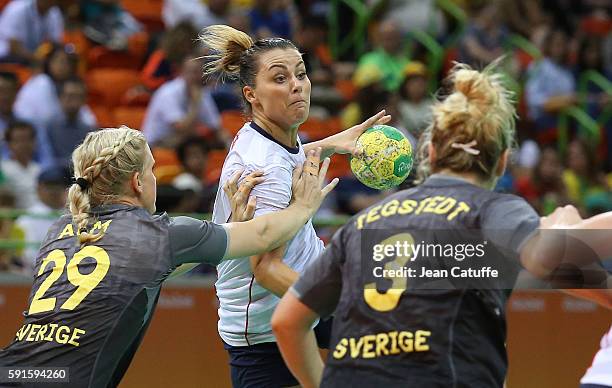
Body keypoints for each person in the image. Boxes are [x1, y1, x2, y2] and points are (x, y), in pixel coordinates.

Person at [271, 62, 612, 388]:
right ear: (502, 162)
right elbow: (549, 257)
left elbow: (286, 321)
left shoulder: (364, 222)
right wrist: (565, 217)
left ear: (430, 153)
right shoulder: (492, 210)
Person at [0, 126, 337, 387]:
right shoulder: (163, 234)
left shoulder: (60, 228)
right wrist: (304, 205)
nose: (154, 178)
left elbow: (153, 270)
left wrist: (229, 224)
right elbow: (265, 234)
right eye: (151, 170)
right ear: (137, 182)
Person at [199, 24, 390, 387]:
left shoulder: (275, 133)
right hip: (265, 325)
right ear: (252, 95)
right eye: (281, 78)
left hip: (305, 289)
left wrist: (332, 143)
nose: (297, 85)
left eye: (301, 74)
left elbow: (292, 158)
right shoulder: (262, 168)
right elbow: (267, 269)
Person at [142, 53, 226, 148]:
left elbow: (216, 127)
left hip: (180, 141)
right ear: (182, 72)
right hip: (155, 145)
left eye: (199, 72)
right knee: (193, 141)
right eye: (192, 72)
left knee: (214, 142)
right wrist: (195, 104)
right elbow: (181, 128)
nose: (195, 76)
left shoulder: (202, 92)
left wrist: (227, 143)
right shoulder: (168, 92)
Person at [15, 165, 72, 274]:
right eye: (49, 186)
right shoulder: (26, 219)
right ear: (38, 188)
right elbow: (27, 256)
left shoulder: (74, 215)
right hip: (35, 276)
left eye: (59, 186)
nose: (54, 191)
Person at [46, 77, 96, 167]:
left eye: (78, 97)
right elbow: (46, 159)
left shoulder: (89, 130)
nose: (74, 101)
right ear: (60, 97)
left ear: (84, 100)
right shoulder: (48, 126)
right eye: (70, 96)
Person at [1, 121, 41, 209]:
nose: (24, 144)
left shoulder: (39, 170)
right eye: (18, 140)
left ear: (34, 142)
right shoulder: (2, 169)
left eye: (28, 140)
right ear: (8, 144)